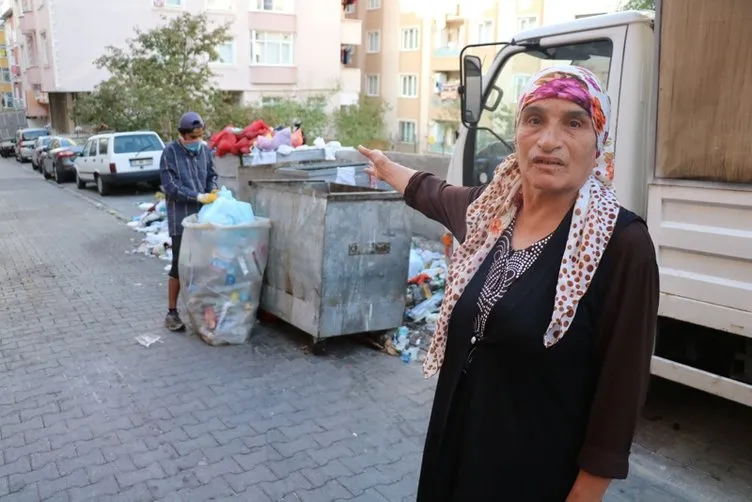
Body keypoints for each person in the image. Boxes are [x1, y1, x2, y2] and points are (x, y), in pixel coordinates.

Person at [358, 65, 659, 501]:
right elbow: (436, 196)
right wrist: (389, 170)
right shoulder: (493, 213)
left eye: (574, 122)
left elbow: (622, 387)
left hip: (532, 473)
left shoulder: (621, 245)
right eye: (534, 119)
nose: (548, 140)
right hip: (454, 450)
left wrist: (586, 493)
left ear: (600, 143)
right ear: (517, 131)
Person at [160, 111, 219, 332]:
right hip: (181, 220)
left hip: (204, 219)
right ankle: (172, 313)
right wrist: (196, 196)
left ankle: (203, 309)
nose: (197, 141)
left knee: (203, 266)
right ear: (182, 135)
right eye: (192, 137)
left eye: (200, 136)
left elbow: (211, 175)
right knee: (179, 265)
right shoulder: (170, 153)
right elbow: (170, 186)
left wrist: (212, 188)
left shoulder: (205, 151)